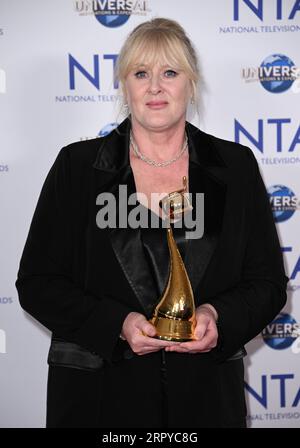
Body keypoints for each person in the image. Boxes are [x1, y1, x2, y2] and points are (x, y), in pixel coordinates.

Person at [16, 18, 288, 428]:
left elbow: (267, 283)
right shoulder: (77, 168)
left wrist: (217, 315)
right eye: (141, 73)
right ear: (125, 86)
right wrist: (117, 324)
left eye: (170, 72)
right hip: (99, 398)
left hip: (205, 399)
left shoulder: (235, 168)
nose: (155, 86)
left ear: (191, 83)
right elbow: (37, 283)